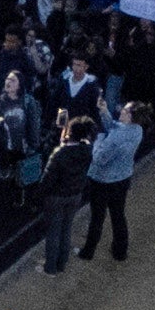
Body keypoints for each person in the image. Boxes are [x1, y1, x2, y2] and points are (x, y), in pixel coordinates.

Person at [80, 103, 146, 262]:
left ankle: (88, 251)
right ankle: (120, 251)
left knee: (97, 217)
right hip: (122, 179)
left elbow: (99, 158)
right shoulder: (137, 129)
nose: (121, 110)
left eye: (124, 110)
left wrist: (97, 140)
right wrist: (105, 113)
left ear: (130, 116)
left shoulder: (116, 137)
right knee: (118, 215)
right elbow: (116, 127)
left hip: (103, 181)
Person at [39, 115, 95, 276]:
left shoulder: (60, 153)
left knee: (53, 232)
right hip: (75, 194)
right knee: (66, 228)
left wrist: (39, 195)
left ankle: (50, 268)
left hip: (56, 196)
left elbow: (48, 178)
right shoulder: (87, 150)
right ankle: (61, 264)